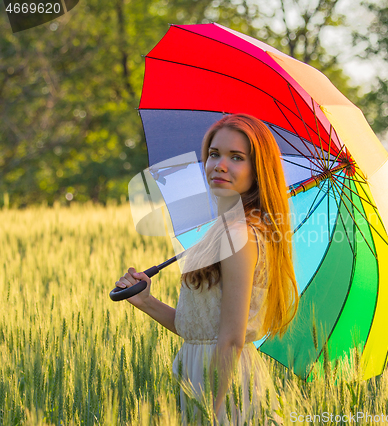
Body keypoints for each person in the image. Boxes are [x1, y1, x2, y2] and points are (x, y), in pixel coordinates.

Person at [115, 114, 298, 425]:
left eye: (236, 157)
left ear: (258, 170)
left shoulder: (239, 234)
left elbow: (230, 338)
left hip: (222, 386)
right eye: (214, 154)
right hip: (204, 374)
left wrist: (211, 409)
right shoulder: (226, 229)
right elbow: (201, 332)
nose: (220, 165)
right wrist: (146, 301)